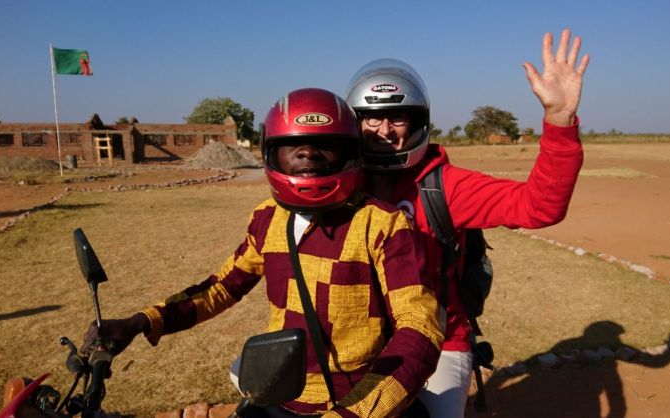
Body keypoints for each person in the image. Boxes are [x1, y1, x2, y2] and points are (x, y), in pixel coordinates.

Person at [82, 88, 443, 417]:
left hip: (361, 401)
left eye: (325, 144)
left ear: (350, 153)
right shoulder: (267, 220)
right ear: (272, 153)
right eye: (293, 145)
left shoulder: (382, 225)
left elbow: (419, 328)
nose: (307, 152)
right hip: (280, 395)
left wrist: (355, 412)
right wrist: (142, 321)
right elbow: (222, 287)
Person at [344, 29, 589, 417]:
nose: (385, 131)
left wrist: (559, 119)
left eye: (397, 117)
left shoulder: (444, 186)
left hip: (440, 341)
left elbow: (538, 206)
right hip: (356, 336)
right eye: (372, 118)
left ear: (417, 122)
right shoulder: (340, 186)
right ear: (353, 124)